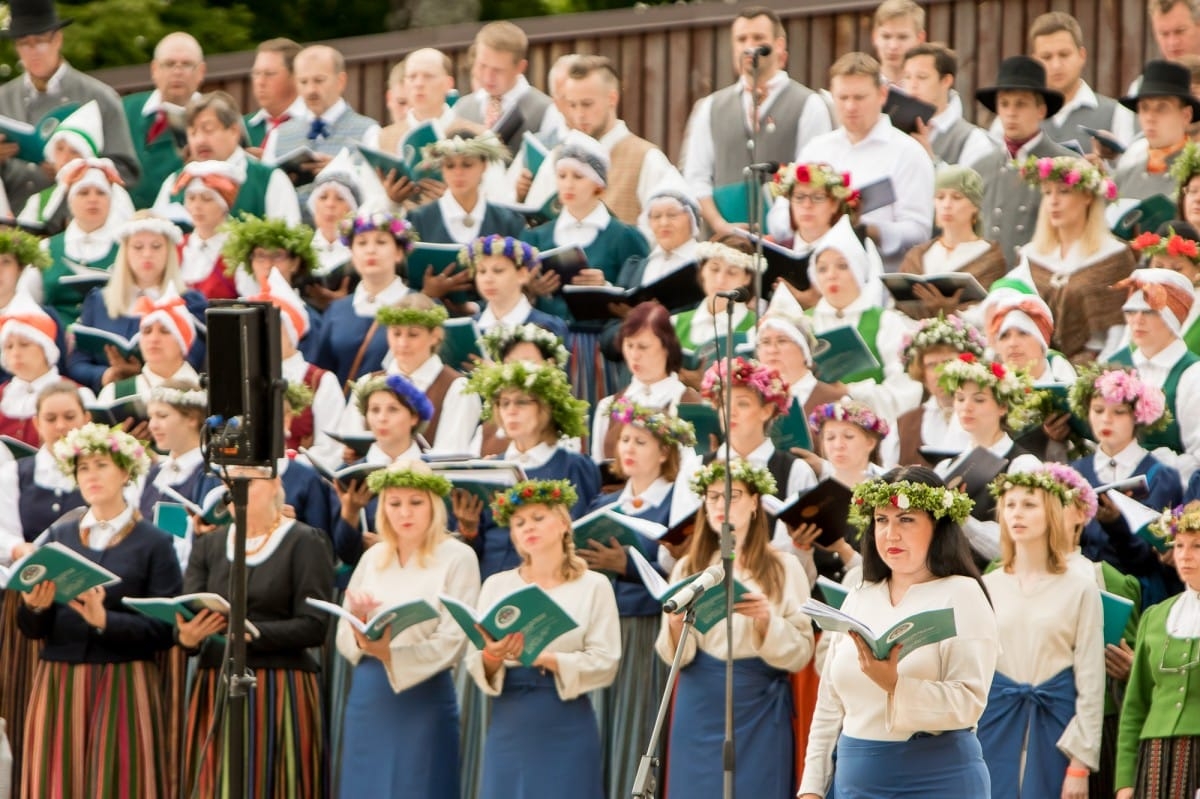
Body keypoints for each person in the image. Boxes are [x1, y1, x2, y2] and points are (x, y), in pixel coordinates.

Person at [797, 467, 995, 799]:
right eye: (881, 520)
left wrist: (895, 686)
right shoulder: (859, 595)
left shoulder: (962, 594)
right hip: (855, 780)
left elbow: (969, 702)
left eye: (906, 519)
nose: (891, 534)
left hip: (936, 779)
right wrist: (811, 789)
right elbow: (829, 705)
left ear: (937, 525)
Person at [18, 422, 180, 798]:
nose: (91, 475)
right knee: (56, 780)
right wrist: (34, 608)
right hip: (59, 678)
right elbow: (33, 628)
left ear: (125, 471)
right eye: (84, 468)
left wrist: (105, 620)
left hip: (123, 679)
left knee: (119, 782)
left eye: (101, 465)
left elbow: (164, 628)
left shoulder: (154, 542)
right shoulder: (60, 535)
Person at [659, 459, 814, 798]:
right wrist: (674, 626)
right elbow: (671, 654)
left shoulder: (784, 567)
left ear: (756, 502)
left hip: (757, 702)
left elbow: (803, 650)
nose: (720, 505)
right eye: (713, 497)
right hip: (700, 700)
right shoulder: (690, 566)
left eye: (732, 495)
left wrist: (765, 622)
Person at [177, 471, 334, 799]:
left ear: (276, 484)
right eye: (231, 484)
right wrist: (188, 638)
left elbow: (315, 625)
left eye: (248, 483)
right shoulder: (210, 544)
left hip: (279, 685)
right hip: (215, 682)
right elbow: (190, 610)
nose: (237, 491)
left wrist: (252, 633)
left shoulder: (304, 541)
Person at [466, 478, 620, 799]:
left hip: (567, 716)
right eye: (519, 523)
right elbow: (476, 658)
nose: (528, 528)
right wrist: (493, 655)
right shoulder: (497, 585)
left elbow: (606, 660)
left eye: (538, 518)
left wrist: (542, 657)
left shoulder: (594, 586)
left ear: (564, 524)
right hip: (510, 718)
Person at [336, 460, 481, 798]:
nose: (405, 513)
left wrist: (393, 653)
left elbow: (454, 638)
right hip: (369, 693)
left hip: (424, 694)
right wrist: (362, 635)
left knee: (420, 784)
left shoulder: (458, 557)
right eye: (394, 503)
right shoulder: (373, 557)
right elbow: (344, 626)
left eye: (416, 502)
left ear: (434, 505)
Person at [583, 400, 695, 799]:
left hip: (646, 626)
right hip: (605, 625)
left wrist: (628, 565)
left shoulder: (676, 504)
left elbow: (680, 571)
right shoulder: (603, 504)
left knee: (636, 723)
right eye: (624, 439)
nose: (627, 448)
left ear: (665, 452)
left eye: (641, 441)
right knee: (600, 724)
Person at [978, 466, 1106, 799]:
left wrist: (1080, 765)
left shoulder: (1080, 588)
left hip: (1056, 732)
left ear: (1050, 511)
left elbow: (1091, 683)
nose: (1017, 513)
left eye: (1029, 504)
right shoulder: (986, 587)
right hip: (994, 727)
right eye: (1010, 504)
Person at [0, 381, 88, 789]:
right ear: (36, 423)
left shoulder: (100, 469)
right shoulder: (17, 472)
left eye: (69, 417)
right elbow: (4, 531)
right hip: (31, 594)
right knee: (26, 696)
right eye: (50, 418)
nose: (60, 426)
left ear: (85, 419)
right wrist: (21, 549)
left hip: (85, 595)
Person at [682, 5, 833, 237]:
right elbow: (696, 178)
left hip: (784, 246)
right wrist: (720, 225)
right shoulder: (710, 107)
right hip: (722, 248)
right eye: (741, 39)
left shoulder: (809, 104)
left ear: (779, 44)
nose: (748, 46)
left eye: (758, 38)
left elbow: (815, 179)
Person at [458, 361, 599, 579]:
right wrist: (470, 529)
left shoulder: (573, 465)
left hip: (553, 582)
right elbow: (479, 545)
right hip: (493, 580)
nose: (511, 411)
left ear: (545, 408)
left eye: (521, 402)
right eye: (504, 403)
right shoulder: (491, 466)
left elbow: (579, 535)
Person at [0, 0, 139, 212]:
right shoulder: (3, 98)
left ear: (58, 39)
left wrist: (77, 170)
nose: (33, 50)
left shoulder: (99, 97)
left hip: (76, 225)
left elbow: (125, 173)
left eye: (40, 41)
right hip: (13, 221)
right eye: (23, 43)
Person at [799, 52, 934, 271]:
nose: (851, 107)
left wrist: (868, 229)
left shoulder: (908, 153)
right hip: (818, 276)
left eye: (860, 97)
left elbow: (919, 232)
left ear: (882, 94)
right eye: (843, 98)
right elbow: (780, 214)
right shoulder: (817, 149)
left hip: (880, 279)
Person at [524, 54, 688, 231]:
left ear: (612, 99)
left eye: (587, 104)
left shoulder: (646, 157)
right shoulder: (558, 157)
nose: (579, 114)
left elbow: (671, 229)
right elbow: (534, 216)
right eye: (572, 105)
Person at [1068, 364, 1181, 605]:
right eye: (1098, 410)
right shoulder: (1076, 471)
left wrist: (1116, 524)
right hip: (1081, 588)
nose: (1106, 419)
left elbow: (1148, 556)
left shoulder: (1160, 476)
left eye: (1118, 412)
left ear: (1137, 416)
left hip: (1138, 593)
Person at [1005, 154, 1131, 361]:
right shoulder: (1030, 254)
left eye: (1064, 192)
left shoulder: (1113, 255)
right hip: (1039, 365)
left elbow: (1118, 330)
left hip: (1093, 367)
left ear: (1087, 197)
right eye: (1047, 193)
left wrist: (1096, 376)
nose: (1053, 202)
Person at [1115, 499, 1200, 799]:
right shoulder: (1155, 616)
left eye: (1197, 547)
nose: (1185, 556)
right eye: (1179, 546)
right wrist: (1125, 782)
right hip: (1154, 759)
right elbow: (1135, 704)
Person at [66, 211, 206, 393]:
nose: (147, 254)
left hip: (170, 398)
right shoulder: (100, 300)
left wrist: (145, 372)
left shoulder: (189, 302)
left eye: (156, 246)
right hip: (111, 396)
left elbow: (195, 359)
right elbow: (77, 363)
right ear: (125, 252)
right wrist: (106, 375)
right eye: (138, 247)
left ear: (169, 252)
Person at [336, 294, 480, 456]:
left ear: (435, 336)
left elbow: (452, 453)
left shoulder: (456, 388)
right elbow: (349, 439)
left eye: (413, 335)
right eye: (396, 334)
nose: (402, 343)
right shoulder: (367, 382)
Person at [808, 216, 922, 421]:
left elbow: (905, 391)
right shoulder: (804, 323)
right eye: (823, 268)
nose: (831, 275)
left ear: (859, 269)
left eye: (842, 266)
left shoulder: (886, 322)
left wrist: (850, 392)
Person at [933, 352, 1039, 562]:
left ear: (1002, 407)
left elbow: (1019, 546)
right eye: (960, 398)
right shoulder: (945, 467)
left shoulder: (1022, 465)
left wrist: (963, 519)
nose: (966, 407)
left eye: (979, 399)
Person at [974, 55, 1075, 265]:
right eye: (1004, 104)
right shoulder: (980, 168)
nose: (1011, 113)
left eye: (1021, 104)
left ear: (1041, 110)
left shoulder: (1068, 165)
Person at [151, 91, 301, 225]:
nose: (200, 140)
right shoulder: (174, 182)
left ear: (234, 131)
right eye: (193, 133)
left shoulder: (269, 179)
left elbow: (288, 239)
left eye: (208, 129)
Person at [1110, 268, 1200, 485]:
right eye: (1132, 311)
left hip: (1173, 499)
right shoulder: (1117, 365)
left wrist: (1150, 466)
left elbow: (1197, 460)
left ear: (1172, 318)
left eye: (1149, 312)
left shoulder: (1192, 374)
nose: (1137, 320)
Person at [333, 373, 432, 566]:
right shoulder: (350, 473)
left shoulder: (432, 471)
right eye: (374, 410)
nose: (382, 418)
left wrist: (395, 546)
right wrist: (350, 513)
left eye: (393, 409)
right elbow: (345, 553)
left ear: (413, 417)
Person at [264, 45, 381, 205]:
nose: (311, 89)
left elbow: (377, 193)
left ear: (341, 81)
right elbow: (265, 192)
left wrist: (344, 172)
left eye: (319, 80)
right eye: (303, 82)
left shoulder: (369, 132)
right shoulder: (279, 134)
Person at [315, 211, 418, 386]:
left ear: (399, 253)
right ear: (352, 253)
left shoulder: (418, 306)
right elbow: (321, 372)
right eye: (362, 243)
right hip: (345, 411)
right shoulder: (337, 310)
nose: (371, 250)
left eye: (381, 242)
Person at [591, 302, 702, 462]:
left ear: (667, 348)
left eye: (643, 347)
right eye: (629, 345)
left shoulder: (690, 404)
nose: (634, 355)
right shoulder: (607, 406)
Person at [21, 158, 124, 326]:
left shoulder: (125, 249)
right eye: (83, 193)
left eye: (101, 192)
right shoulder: (47, 248)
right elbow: (27, 300)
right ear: (70, 199)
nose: (93, 199)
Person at [897, 165, 1006, 319]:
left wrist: (951, 312)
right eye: (940, 197)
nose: (946, 205)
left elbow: (990, 312)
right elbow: (899, 308)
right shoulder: (917, 256)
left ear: (974, 206)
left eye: (956, 197)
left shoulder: (989, 258)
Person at [19, 100, 136, 235]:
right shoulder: (38, 201)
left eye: (74, 151)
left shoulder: (115, 196)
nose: (65, 158)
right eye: (60, 149)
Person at [1024, 13, 1137, 151]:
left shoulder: (1116, 113)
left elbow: (1132, 168)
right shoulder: (1017, 112)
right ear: (1035, 62)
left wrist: (1105, 168)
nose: (1056, 65)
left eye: (1064, 54)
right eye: (1047, 57)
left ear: (1082, 56)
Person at [139, 381, 223, 566]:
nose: (152, 425)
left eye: (162, 416)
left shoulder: (212, 474)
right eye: (150, 417)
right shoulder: (154, 474)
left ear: (192, 418)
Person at [123, 33, 206, 210]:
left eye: (187, 64)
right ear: (154, 70)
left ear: (201, 72)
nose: (177, 72)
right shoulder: (124, 109)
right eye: (169, 64)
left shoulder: (213, 120)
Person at [889, 313, 985, 467]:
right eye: (932, 365)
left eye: (948, 362)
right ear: (922, 371)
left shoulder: (987, 415)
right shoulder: (904, 425)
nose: (940, 371)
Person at [453, 21, 554, 152]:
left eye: (498, 70)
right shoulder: (461, 107)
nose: (487, 77)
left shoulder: (546, 110)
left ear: (520, 67)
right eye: (482, 66)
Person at [669, 237, 762, 377]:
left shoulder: (758, 328)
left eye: (732, 272)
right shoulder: (674, 323)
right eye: (714, 269)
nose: (721, 280)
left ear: (747, 278)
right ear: (702, 271)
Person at [0, 293, 84, 447]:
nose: (15, 353)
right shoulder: (2, 394)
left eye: (24, 344)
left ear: (46, 349)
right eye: (9, 346)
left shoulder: (78, 394)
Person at [93, 285, 201, 405]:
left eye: (165, 331)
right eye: (147, 331)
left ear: (183, 342)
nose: (153, 339)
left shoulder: (202, 391)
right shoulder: (113, 394)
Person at [1114, 60, 1200, 201]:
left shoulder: (1196, 172)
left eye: (1162, 108)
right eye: (1144, 108)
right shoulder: (1126, 173)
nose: (1150, 117)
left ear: (1186, 115)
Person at [900, 43, 996, 168]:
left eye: (922, 77)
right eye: (907, 77)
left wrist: (931, 160)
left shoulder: (972, 139)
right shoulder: (892, 127)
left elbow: (973, 185)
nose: (912, 85)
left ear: (946, 81)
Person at [465, 234, 569, 342]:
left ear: (522, 274)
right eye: (482, 271)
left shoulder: (550, 327)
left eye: (498, 270)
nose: (488, 279)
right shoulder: (469, 328)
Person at [174, 160, 243, 300]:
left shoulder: (239, 249)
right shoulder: (176, 247)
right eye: (191, 198)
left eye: (206, 199)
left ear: (224, 205)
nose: (197, 206)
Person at [243, 38, 305, 155]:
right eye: (256, 73)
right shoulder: (241, 128)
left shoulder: (316, 125)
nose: (260, 82)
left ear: (296, 76)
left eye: (269, 74)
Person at [871, 0, 926, 86]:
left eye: (902, 37)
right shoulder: (858, 87)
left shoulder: (934, 93)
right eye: (886, 36)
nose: (893, 46)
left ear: (920, 39)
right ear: (874, 37)